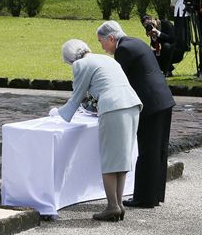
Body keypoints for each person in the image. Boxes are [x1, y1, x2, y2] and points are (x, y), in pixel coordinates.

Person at [49, 39, 142, 222]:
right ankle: (119, 204)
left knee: (108, 159)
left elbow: (76, 97)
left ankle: (112, 206)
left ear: (70, 59)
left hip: (113, 107)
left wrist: (57, 113)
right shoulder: (107, 59)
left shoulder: (81, 65)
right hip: (132, 104)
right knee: (121, 158)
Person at [96, 20, 176, 209]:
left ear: (111, 38)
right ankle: (155, 194)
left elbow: (117, 81)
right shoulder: (136, 42)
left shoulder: (123, 50)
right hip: (163, 99)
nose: (101, 46)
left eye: (101, 41)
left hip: (150, 103)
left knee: (147, 150)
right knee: (159, 151)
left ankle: (144, 198)